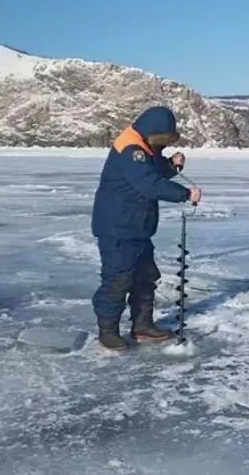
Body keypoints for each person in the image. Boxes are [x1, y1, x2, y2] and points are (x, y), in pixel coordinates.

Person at [89, 105, 201, 350]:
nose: (162, 145)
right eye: (162, 140)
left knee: (145, 277)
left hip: (136, 227)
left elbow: (152, 169)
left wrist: (171, 166)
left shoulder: (140, 146)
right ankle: (107, 331)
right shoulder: (131, 150)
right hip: (117, 228)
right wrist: (184, 194)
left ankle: (142, 326)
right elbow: (148, 183)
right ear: (153, 133)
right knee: (118, 279)